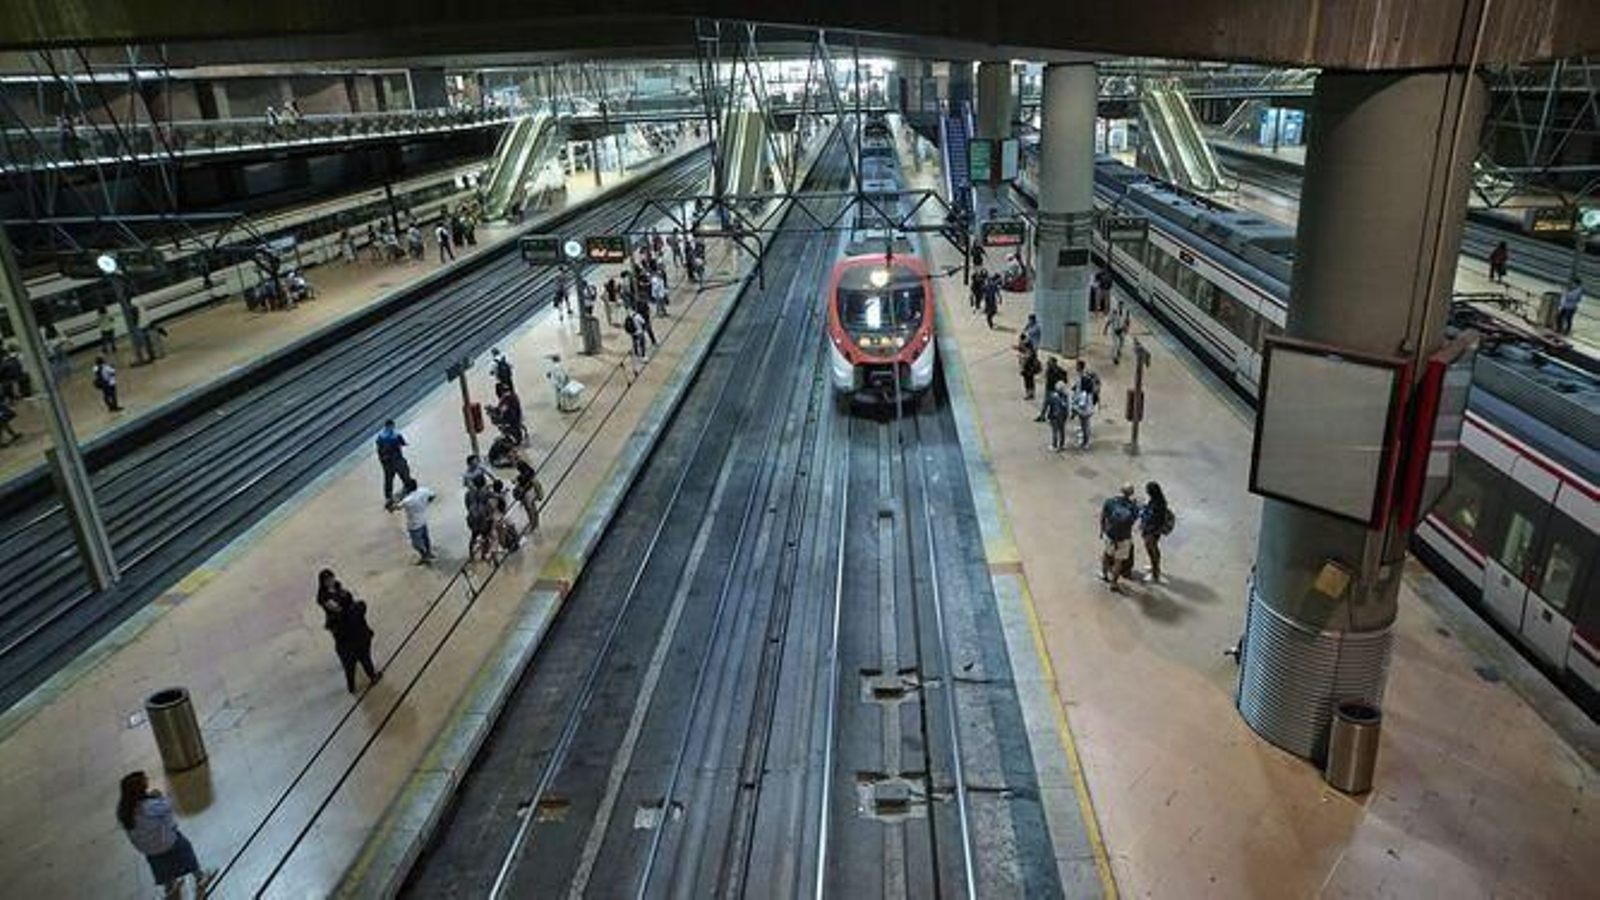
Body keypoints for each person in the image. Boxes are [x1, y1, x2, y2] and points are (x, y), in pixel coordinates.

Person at [117, 770, 215, 899]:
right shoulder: (150, 806)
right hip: (167, 843)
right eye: (144, 780)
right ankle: (200, 877)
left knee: (162, 865)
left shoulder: (124, 811)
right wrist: (159, 796)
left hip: (147, 850)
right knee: (185, 849)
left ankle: (170, 887)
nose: (147, 780)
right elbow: (169, 805)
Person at [330, 590, 380, 693]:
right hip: (361, 643)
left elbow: (332, 629)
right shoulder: (358, 609)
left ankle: (351, 687)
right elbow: (362, 604)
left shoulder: (335, 619)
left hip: (345, 650)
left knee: (349, 670)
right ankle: (373, 677)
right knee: (366, 661)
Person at [1100, 483, 1141, 593]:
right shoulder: (1134, 508)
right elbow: (1132, 522)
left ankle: (1104, 574)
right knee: (1118, 561)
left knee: (1106, 554)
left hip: (1110, 534)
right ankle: (1114, 583)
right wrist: (1135, 506)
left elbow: (1103, 516)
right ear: (1131, 493)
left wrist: (1102, 530)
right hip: (1124, 538)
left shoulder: (1110, 502)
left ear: (1121, 490)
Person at [396, 478, 436, 564]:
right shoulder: (423, 490)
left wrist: (398, 497)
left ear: (407, 489)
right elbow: (433, 495)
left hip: (414, 525)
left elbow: (395, 508)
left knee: (416, 544)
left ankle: (424, 556)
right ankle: (429, 553)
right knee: (425, 539)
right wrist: (427, 503)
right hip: (423, 520)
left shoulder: (407, 500)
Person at [1140, 481, 1174, 583]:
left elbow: (1154, 520)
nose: (1146, 491)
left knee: (1152, 550)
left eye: (1147, 490)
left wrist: (1146, 527)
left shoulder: (1157, 506)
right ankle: (1154, 567)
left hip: (1152, 532)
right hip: (1153, 531)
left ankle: (1155, 574)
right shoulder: (1159, 501)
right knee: (1152, 549)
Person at [374, 420, 411, 510]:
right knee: (389, 478)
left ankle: (407, 487)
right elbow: (379, 450)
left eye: (392, 426)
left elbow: (402, 442)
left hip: (395, 459)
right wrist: (383, 461)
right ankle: (389, 497)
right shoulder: (382, 437)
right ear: (387, 426)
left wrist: (404, 443)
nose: (392, 428)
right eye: (391, 426)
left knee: (404, 473)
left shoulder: (395, 434)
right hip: (390, 461)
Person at [512, 454, 544, 533]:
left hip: (529, 491)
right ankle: (535, 524)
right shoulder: (523, 465)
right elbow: (530, 473)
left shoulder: (520, 465)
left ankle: (533, 525)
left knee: (530, 509)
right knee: (533, 508)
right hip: (531, 489)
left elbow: (526, 477)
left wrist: (518, 481)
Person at [1035, 356, 1068, 422]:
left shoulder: (1058, 370)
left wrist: (1059, 384)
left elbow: (1064, 378)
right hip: (1049, 388)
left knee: (1050, 403)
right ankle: (1045, 416)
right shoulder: (1050, 369)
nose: (1048, 363)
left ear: (1054, 363)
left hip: (1053, 389)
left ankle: (1046, 416)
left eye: (1049, 362)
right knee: (1047, 403)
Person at [1070, 375, 1097, 448]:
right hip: (1089, 411)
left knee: (1084, 427)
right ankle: (1086, 442)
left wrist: (1074, 407)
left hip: (1084, 412)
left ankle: (1085, 442)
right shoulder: (1089, 392)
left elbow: (1082, 404)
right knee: (1086, 426)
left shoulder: (1084, 394)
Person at [1044, 383, 1071, 452]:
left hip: (1054, 416)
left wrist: (1047, 415)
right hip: (1063, 416)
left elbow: (1049, 405)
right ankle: (1062, 445)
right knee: (1062, 431)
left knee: (1055, 431)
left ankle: (1054, 445)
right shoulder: (1065, 396)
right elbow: (1067, 406)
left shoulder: (1053, 396)